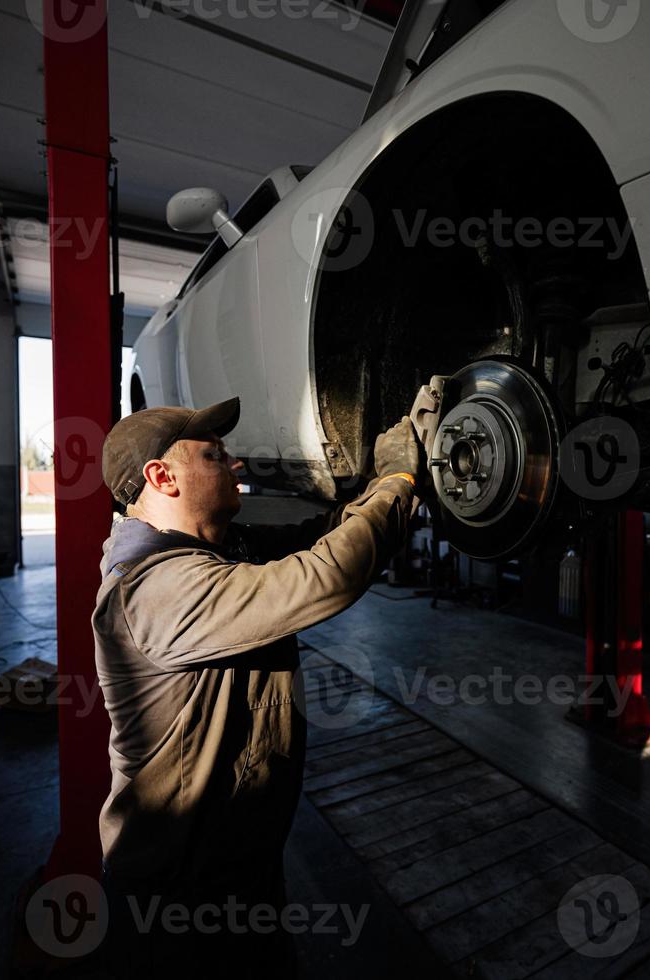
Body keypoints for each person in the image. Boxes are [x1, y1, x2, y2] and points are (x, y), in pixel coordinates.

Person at [92, 395, 422, 977]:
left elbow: (321, 536)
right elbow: (326, 574)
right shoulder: (156, 588)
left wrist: (383, 484)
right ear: (161, 476)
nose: (235, 462)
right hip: (178, 887)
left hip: (235, 855)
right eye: (214, 454)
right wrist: (397, 479)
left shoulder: (212, 550)